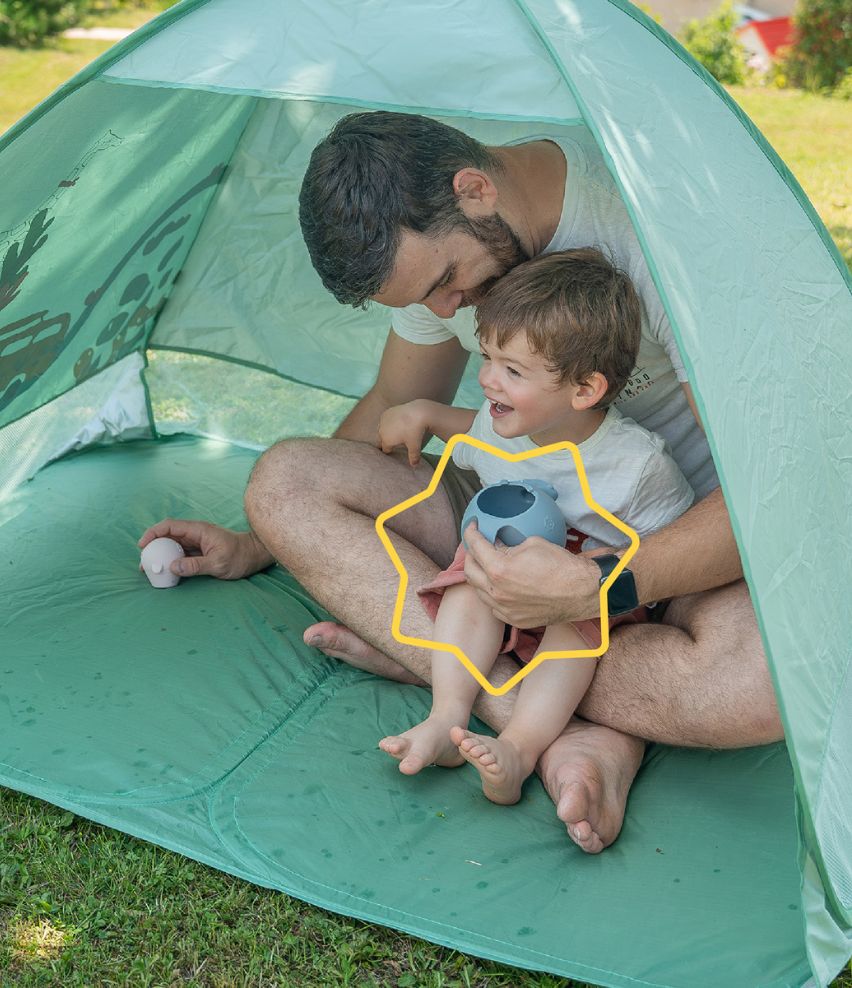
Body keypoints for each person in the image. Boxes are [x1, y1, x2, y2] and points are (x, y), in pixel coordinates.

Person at [139, 111, 781, 855]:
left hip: (675, 542)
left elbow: (766, 499)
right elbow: (391, 404)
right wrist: (260, 542)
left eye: (445, 281)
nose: (448, 312)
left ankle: (447, 664)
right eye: (424, 301)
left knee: (756, 685)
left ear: (474, 189)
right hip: (507, 516)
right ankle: (537, 721)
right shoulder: (448, 277)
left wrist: (597, 588)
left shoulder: (654, 232)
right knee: (284, 481)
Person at [376, 249, 694, 810]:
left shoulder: (636, 466)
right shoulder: (505, 423)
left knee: (572, 629)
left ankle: (520, 749)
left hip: (585, 588)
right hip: (507, 567)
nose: (488, 380)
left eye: (512, 370)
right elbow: (471, 432)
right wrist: (424, 412)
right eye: (487, 356)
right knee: (468, 581)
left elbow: (676, 546)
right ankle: (446, 716)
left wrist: (600, 579)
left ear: (584, 391)